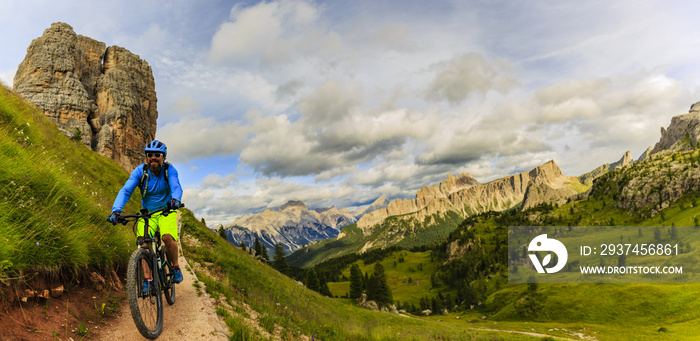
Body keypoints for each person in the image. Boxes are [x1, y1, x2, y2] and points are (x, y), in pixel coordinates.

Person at [108, 140, 184, 293]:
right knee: (142, 242)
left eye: (157, 155)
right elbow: (126, 190)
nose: (153, 158)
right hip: (148, 213)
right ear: (146, 157)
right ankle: (148, 280)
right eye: (150, 155)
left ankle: (175, 267)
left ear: (163, 157)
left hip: (166, 211)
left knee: (167, 237)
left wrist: (175, 200)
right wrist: (116, 211)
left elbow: (176, 186)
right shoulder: (140, 172)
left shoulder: (169, 170)